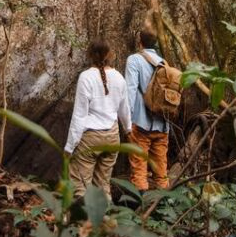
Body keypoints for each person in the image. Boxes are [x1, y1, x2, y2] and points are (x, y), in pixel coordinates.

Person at [64, 39, 131, 199]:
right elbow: (125, 109)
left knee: (80, 186)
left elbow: (79, 115)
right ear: (110, 55)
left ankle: (82, 221)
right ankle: (105, 221)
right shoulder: (119, 77)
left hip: (90, 139)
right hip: (113, 137)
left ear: (90, 56)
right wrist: (128, 129)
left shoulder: (86, 77)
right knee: (103, 186)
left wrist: (69, 146)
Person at [125, 25, 169, 191]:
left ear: (140, 42)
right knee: (161, 170)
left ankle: (141, 210)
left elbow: (130, 89)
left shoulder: (134, 60)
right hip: (163, 124)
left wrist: (126, 121)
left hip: (141, 124)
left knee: (139, 167)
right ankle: (163, 207)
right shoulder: (164, 63)